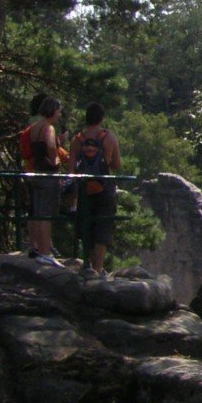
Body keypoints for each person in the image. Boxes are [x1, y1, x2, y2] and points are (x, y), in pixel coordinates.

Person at [69, 103, 122, 275]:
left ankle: (91, 267)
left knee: (87, 227)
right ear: (102, 118)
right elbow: (116, 165)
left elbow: (71, 170)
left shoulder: (77, 140)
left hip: (84, 189)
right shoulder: (108, 137)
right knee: (103, 227)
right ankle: (98, 269)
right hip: (104, 188)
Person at [18, 94, 65, 264]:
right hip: (47, 174)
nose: (59, 114)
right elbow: (51, 147)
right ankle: (46, 252)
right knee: (46, 215)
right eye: (59, 111)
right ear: (52, 110)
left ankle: (37, 248)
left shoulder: (35, 126)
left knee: (37, 213)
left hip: (35, 172)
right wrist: (56, 161)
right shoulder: (48, 128)